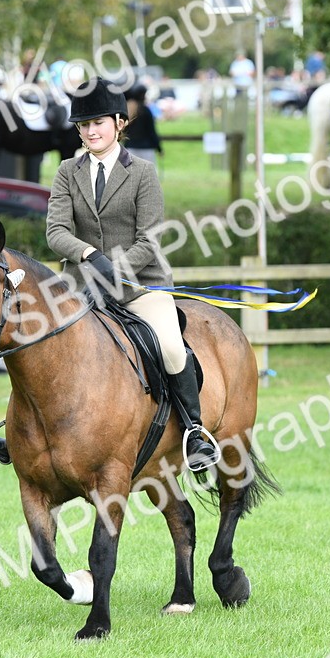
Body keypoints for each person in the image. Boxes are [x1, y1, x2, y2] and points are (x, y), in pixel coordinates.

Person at [46, 77, 219, 472]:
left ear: (119, 123)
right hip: (82, 286)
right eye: (84, 125)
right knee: (41, 341)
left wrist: (116, 270)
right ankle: (23, 429)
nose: (90, 131)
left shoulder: (142, 172)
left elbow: (151, 239)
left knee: (172, 348)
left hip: (141, 286)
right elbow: (56, 231)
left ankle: (194, 430)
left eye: (98, 123)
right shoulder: (66, 172)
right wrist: (89, 254)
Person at [124, 83, 162, 163]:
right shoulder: (145, 110)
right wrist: (159, 148)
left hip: (131, 147)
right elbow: (151, 131)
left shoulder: (129, 111)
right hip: (146, 148)